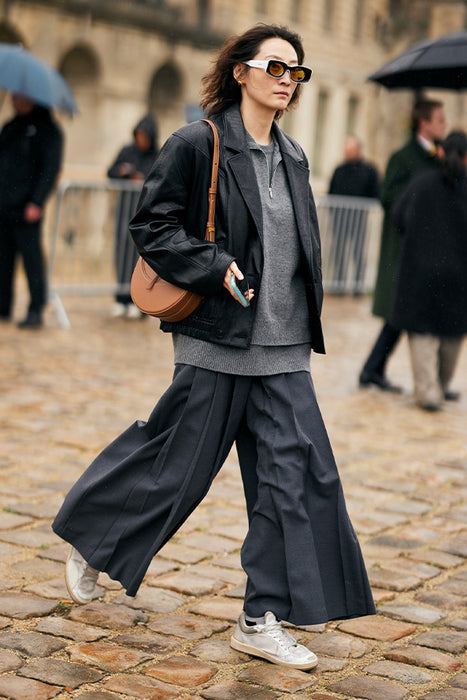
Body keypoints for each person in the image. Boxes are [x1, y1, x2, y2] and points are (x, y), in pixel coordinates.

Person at [52, 24, 375, 670]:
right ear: (241, 72)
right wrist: (209, 266)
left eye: (296, 72)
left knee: (296, 481)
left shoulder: (294, 157)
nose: (287, 80)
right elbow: (151, 223)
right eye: (276, 67)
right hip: (218, 341)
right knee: (177, 468)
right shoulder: (197, 144)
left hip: (282, 350)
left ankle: (260, 617)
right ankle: (95, 540)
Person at [359, 99, 446, 391]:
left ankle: (374, 370)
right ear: (424, 123)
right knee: (400, 314)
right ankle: (375, 371)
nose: (443, 125)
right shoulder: (403, 157)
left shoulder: (438, 157)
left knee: (403, 316)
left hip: (428, 252)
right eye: (439, 120)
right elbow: (389, 196)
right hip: (403, 250)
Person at [390, 131, 467, 411]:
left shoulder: (421, 182)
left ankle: (428, 391)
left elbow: (398, 217)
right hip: (459, 276)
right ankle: (441, 386)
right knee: (452, 332)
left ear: (442, 152)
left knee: (422, 331)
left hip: (420, 272)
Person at [0, 93, 63, 328]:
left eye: (20, 97)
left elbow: (49, 170)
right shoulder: (10, 127)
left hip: (27, 207)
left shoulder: (48, 131)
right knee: (3, 259)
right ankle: (3, 306)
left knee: (32, 261)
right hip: (4, 204)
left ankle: (36, 309)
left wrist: (37, 202)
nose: (14, 101)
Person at [107, 114, 158, 318]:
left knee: (140, 258)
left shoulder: (158, 154)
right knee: (121, 254)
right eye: (138, 135)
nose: (141, 140)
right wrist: (121, 173)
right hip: (124, 211)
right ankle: (121, 297)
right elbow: (109, 171)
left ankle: (139, 302)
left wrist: (142, 179)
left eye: (144, 136)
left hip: (145, 214)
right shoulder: (127, 151)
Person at [328, 135, 379, 293]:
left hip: (359, 219)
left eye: (350, 150)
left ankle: (357, 286)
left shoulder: (369, 170)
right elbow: (332, 192)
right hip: (339, 219)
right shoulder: (339, 170)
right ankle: (339, 285)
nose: (347, 153)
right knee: (339, 252)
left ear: (358, 150)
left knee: (358, 253)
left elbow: (375, 192)